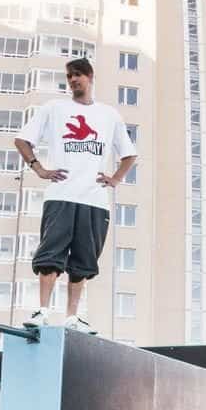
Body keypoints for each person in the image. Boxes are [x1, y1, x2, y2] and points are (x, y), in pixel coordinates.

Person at [13, 57, 137, 333]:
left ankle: (72, 317)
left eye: (78, 74)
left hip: (94, 200)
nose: (72, 80)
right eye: (69, 76)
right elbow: (22, 140)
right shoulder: (54, 108)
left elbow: (129, 154)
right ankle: (42, 311)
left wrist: (115, 178)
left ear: (90, 77)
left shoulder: (109, 115)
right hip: (61, 195)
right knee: (50, 256)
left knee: (83, 261)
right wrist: (39, 168)